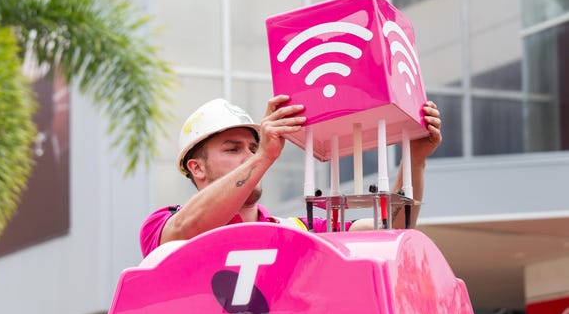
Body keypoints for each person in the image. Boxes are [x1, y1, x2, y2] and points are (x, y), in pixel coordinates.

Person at [140, 95, 442, 256]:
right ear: (198, 168)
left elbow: (392, 228)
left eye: (253, 147)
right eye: (233, 149)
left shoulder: (300, 229)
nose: (249, 154)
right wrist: (263, 155)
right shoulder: (162, 224)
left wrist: (415, 159)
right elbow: (187, 228)